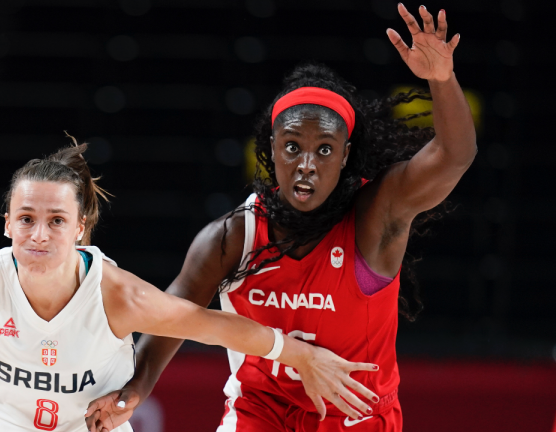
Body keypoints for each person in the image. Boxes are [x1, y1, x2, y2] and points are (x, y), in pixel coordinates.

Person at [87, 5, 475, 432]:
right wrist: (138, 385)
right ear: (271, 149)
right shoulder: (234, 234)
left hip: (358, 417)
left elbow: (454, 156)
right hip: (261, 411)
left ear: (345, 156)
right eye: (292, 147)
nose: (306, 164)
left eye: (324, 150)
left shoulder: (373, 216)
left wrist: (442, 79)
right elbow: (172, 315)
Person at [0, 142, 380, 432]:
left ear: (79, 229)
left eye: (56, 220)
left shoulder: (116, 293)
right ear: (6, 223)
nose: (39, 234)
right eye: (26, 219)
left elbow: (207, 324)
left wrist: (298, 354)